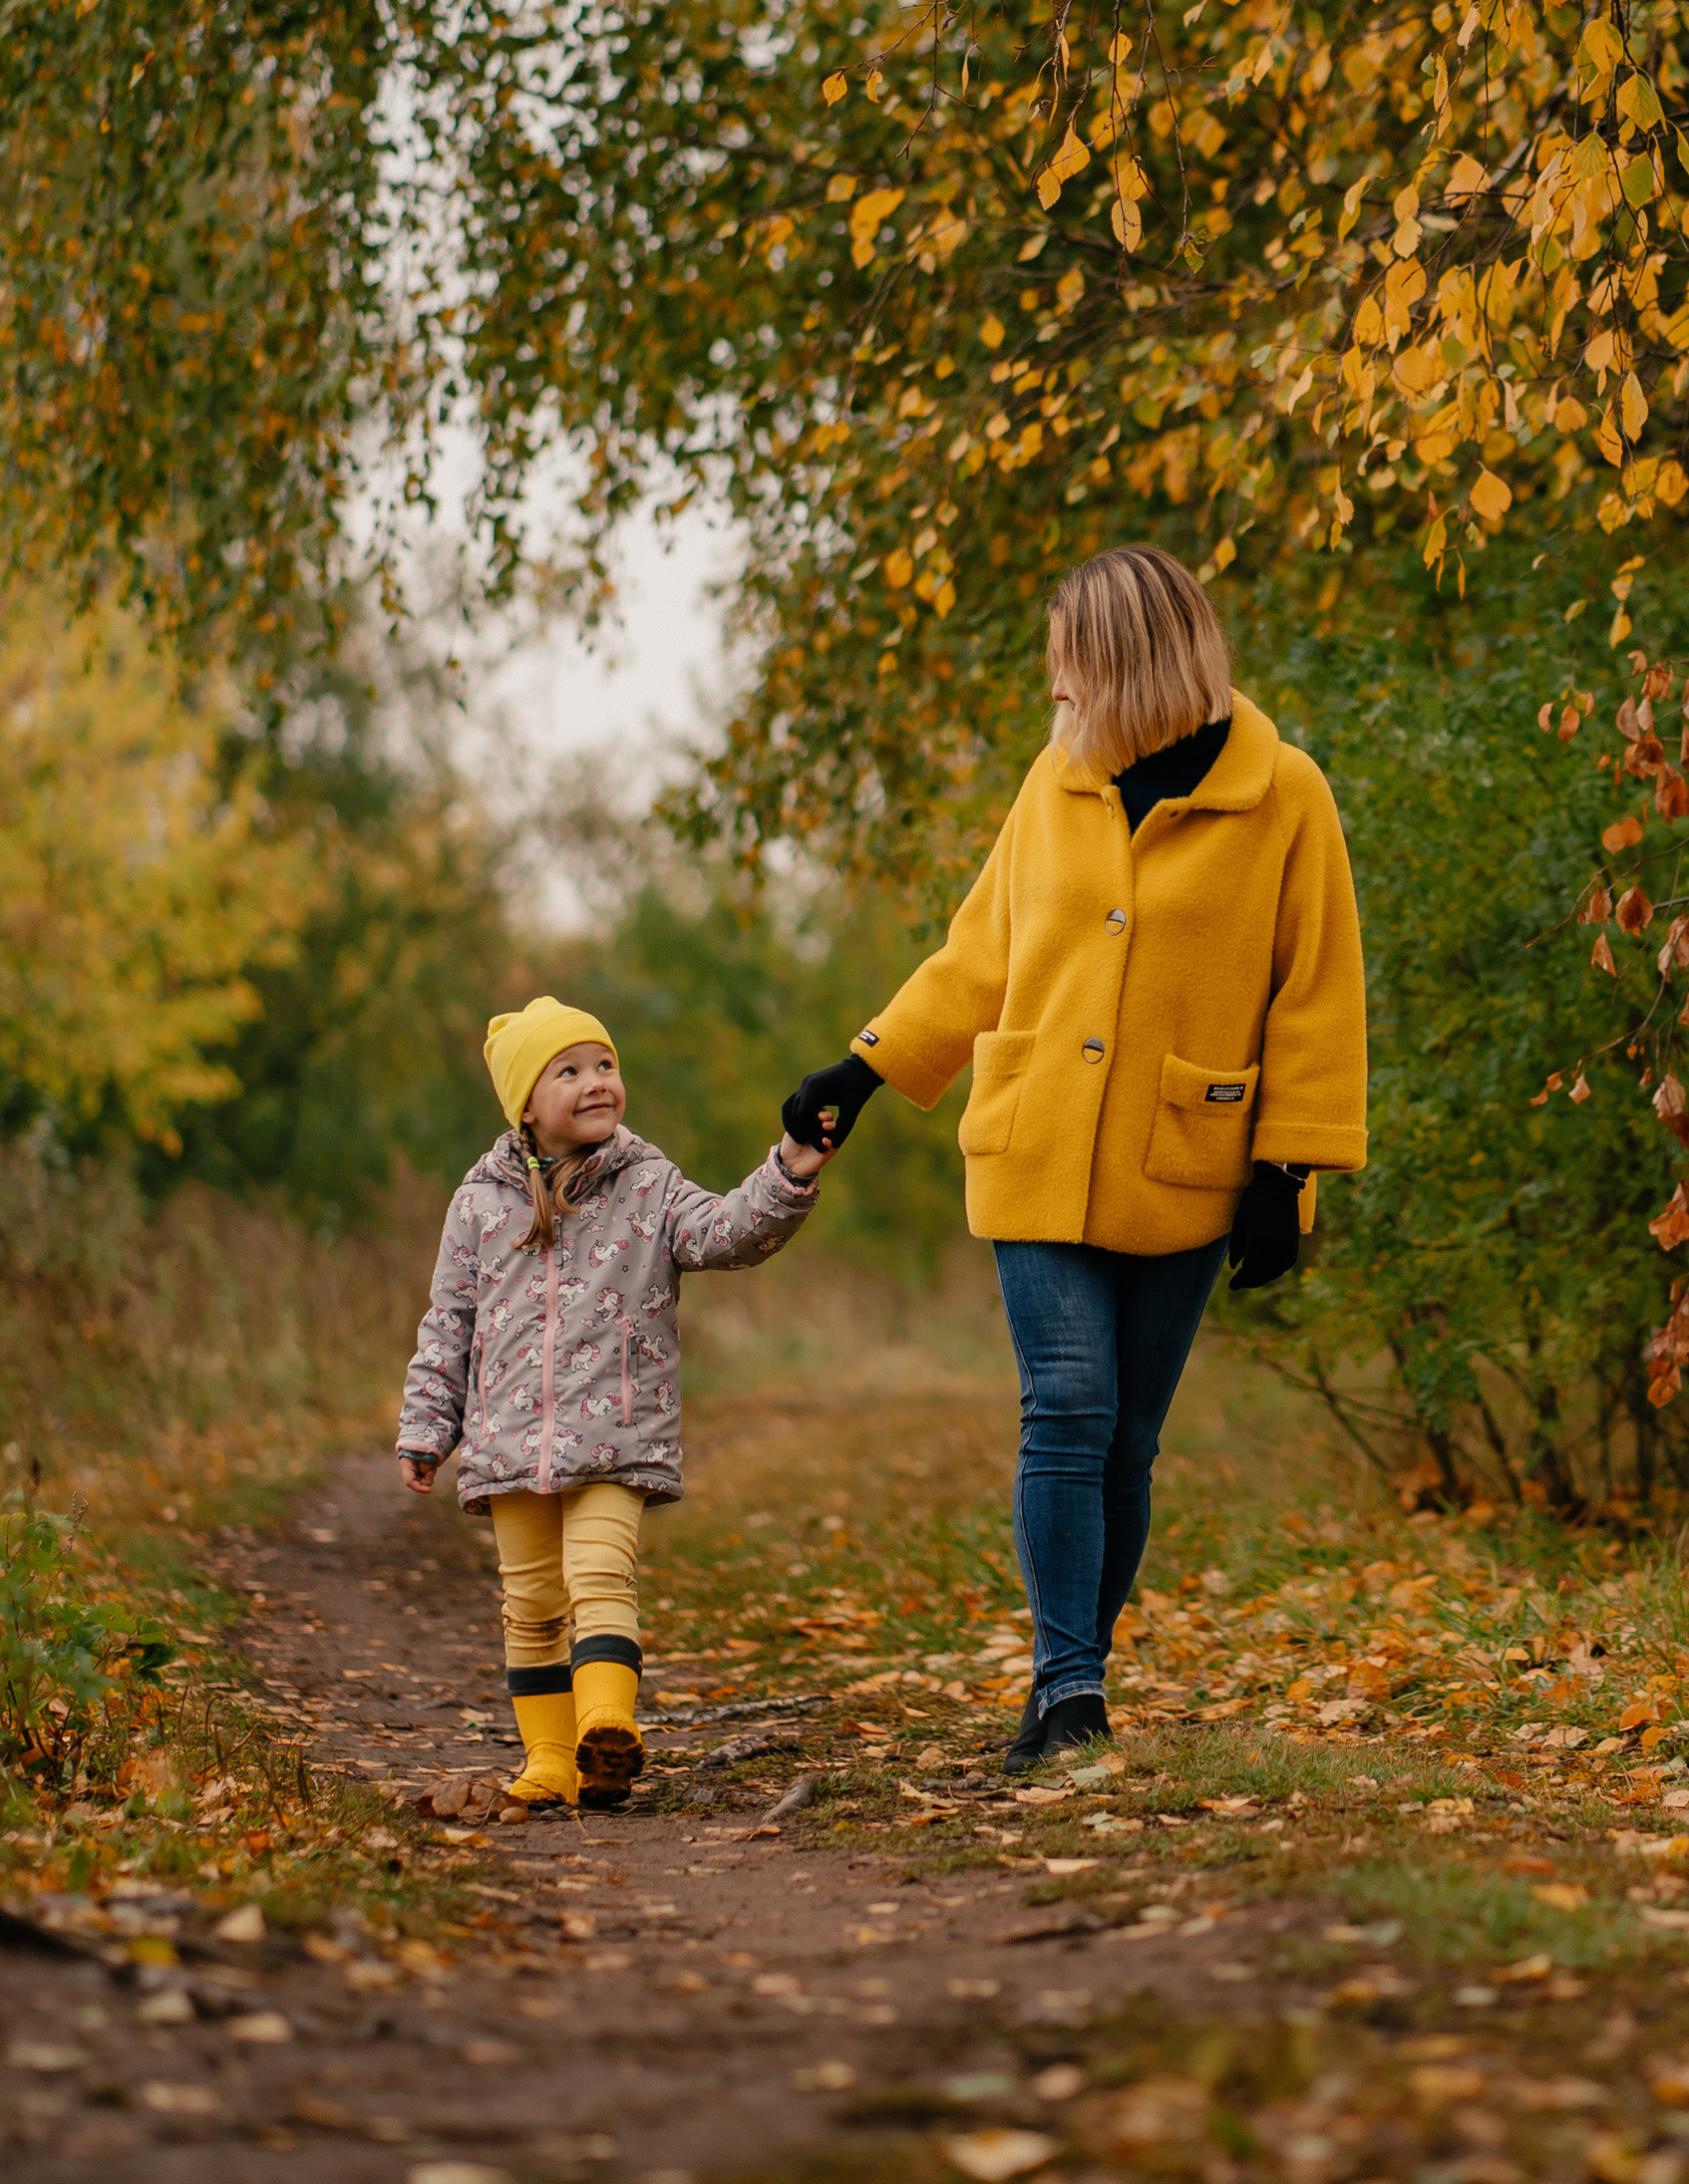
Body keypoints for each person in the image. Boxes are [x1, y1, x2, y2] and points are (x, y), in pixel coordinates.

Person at [784, 545, 1367, 1774]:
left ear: (1122, 666)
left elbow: (1314, 992)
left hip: (1187, 1157)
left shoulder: (1286, 796)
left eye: (1068, 672)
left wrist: (1288, 1170)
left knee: (1127, 1443)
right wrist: (863, 1070)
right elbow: (978, 954)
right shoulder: (1056, 780)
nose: (1056, 698)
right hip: (1035, 1146)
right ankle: (1068, 1688)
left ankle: (1074, 1675)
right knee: (1066, 1407)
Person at [397, 998, 834, 1812]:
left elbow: (726, 1233)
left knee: (601, 1575)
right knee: (529, 1605)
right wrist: (427, 1426)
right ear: (526, 1102)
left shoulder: (648, 1184)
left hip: (613, 1435)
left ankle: (607, 1726)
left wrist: (789, 1168)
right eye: (569, 1071)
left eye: (605, 1065)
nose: (596, 1082)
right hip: (508, 1446)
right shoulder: (479, 1203)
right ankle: (552, 1763)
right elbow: (448, 1322)